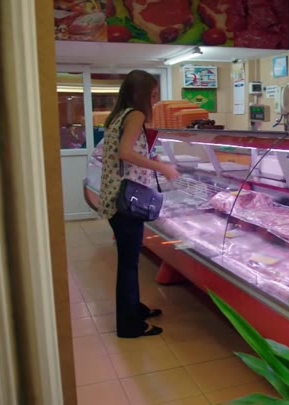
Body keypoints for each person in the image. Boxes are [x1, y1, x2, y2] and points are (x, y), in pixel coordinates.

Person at [98, 70, 179, 338]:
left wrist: (150, 158)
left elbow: (124, 150)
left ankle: (134, 308)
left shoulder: (118, 115)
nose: (154, 100)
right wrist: (162, 168)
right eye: (152, 95)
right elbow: (125, 152)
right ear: (140, 94)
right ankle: (129, 325)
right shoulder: (135, 115)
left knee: (128, 261)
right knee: (129, 264)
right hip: (127, 202)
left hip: (115, 198)